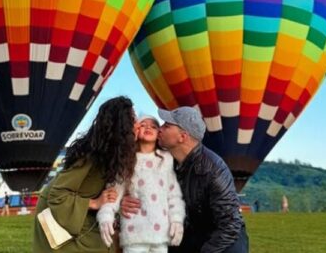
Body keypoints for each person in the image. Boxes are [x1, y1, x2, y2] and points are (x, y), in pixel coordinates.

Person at [121, 106, 249, 253]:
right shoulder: (165, 162)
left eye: (167, 126)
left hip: (223, 240)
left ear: (182, 137)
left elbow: (230, 225)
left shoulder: (213, 170)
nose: (160, 129)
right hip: (190, 233)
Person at [32, 96, 138, 252]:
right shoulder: (90, 155)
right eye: (133, 120)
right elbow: (58, 195)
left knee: (104, 242)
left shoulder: (115, 155)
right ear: (123, 126)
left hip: (79, 214)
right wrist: (94, 202)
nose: (138, 124)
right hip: (58, 212)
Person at [97, 115, 185, 252]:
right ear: (136, 130)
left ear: (158, 135)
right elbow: (114, 192)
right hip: (134, 233)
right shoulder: (126, 160)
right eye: (143, 124)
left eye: (154, 126)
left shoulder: (167, 160)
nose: (149, 127)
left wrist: (177, 220)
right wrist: (106, 216)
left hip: (160, 235)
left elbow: (173, 194)